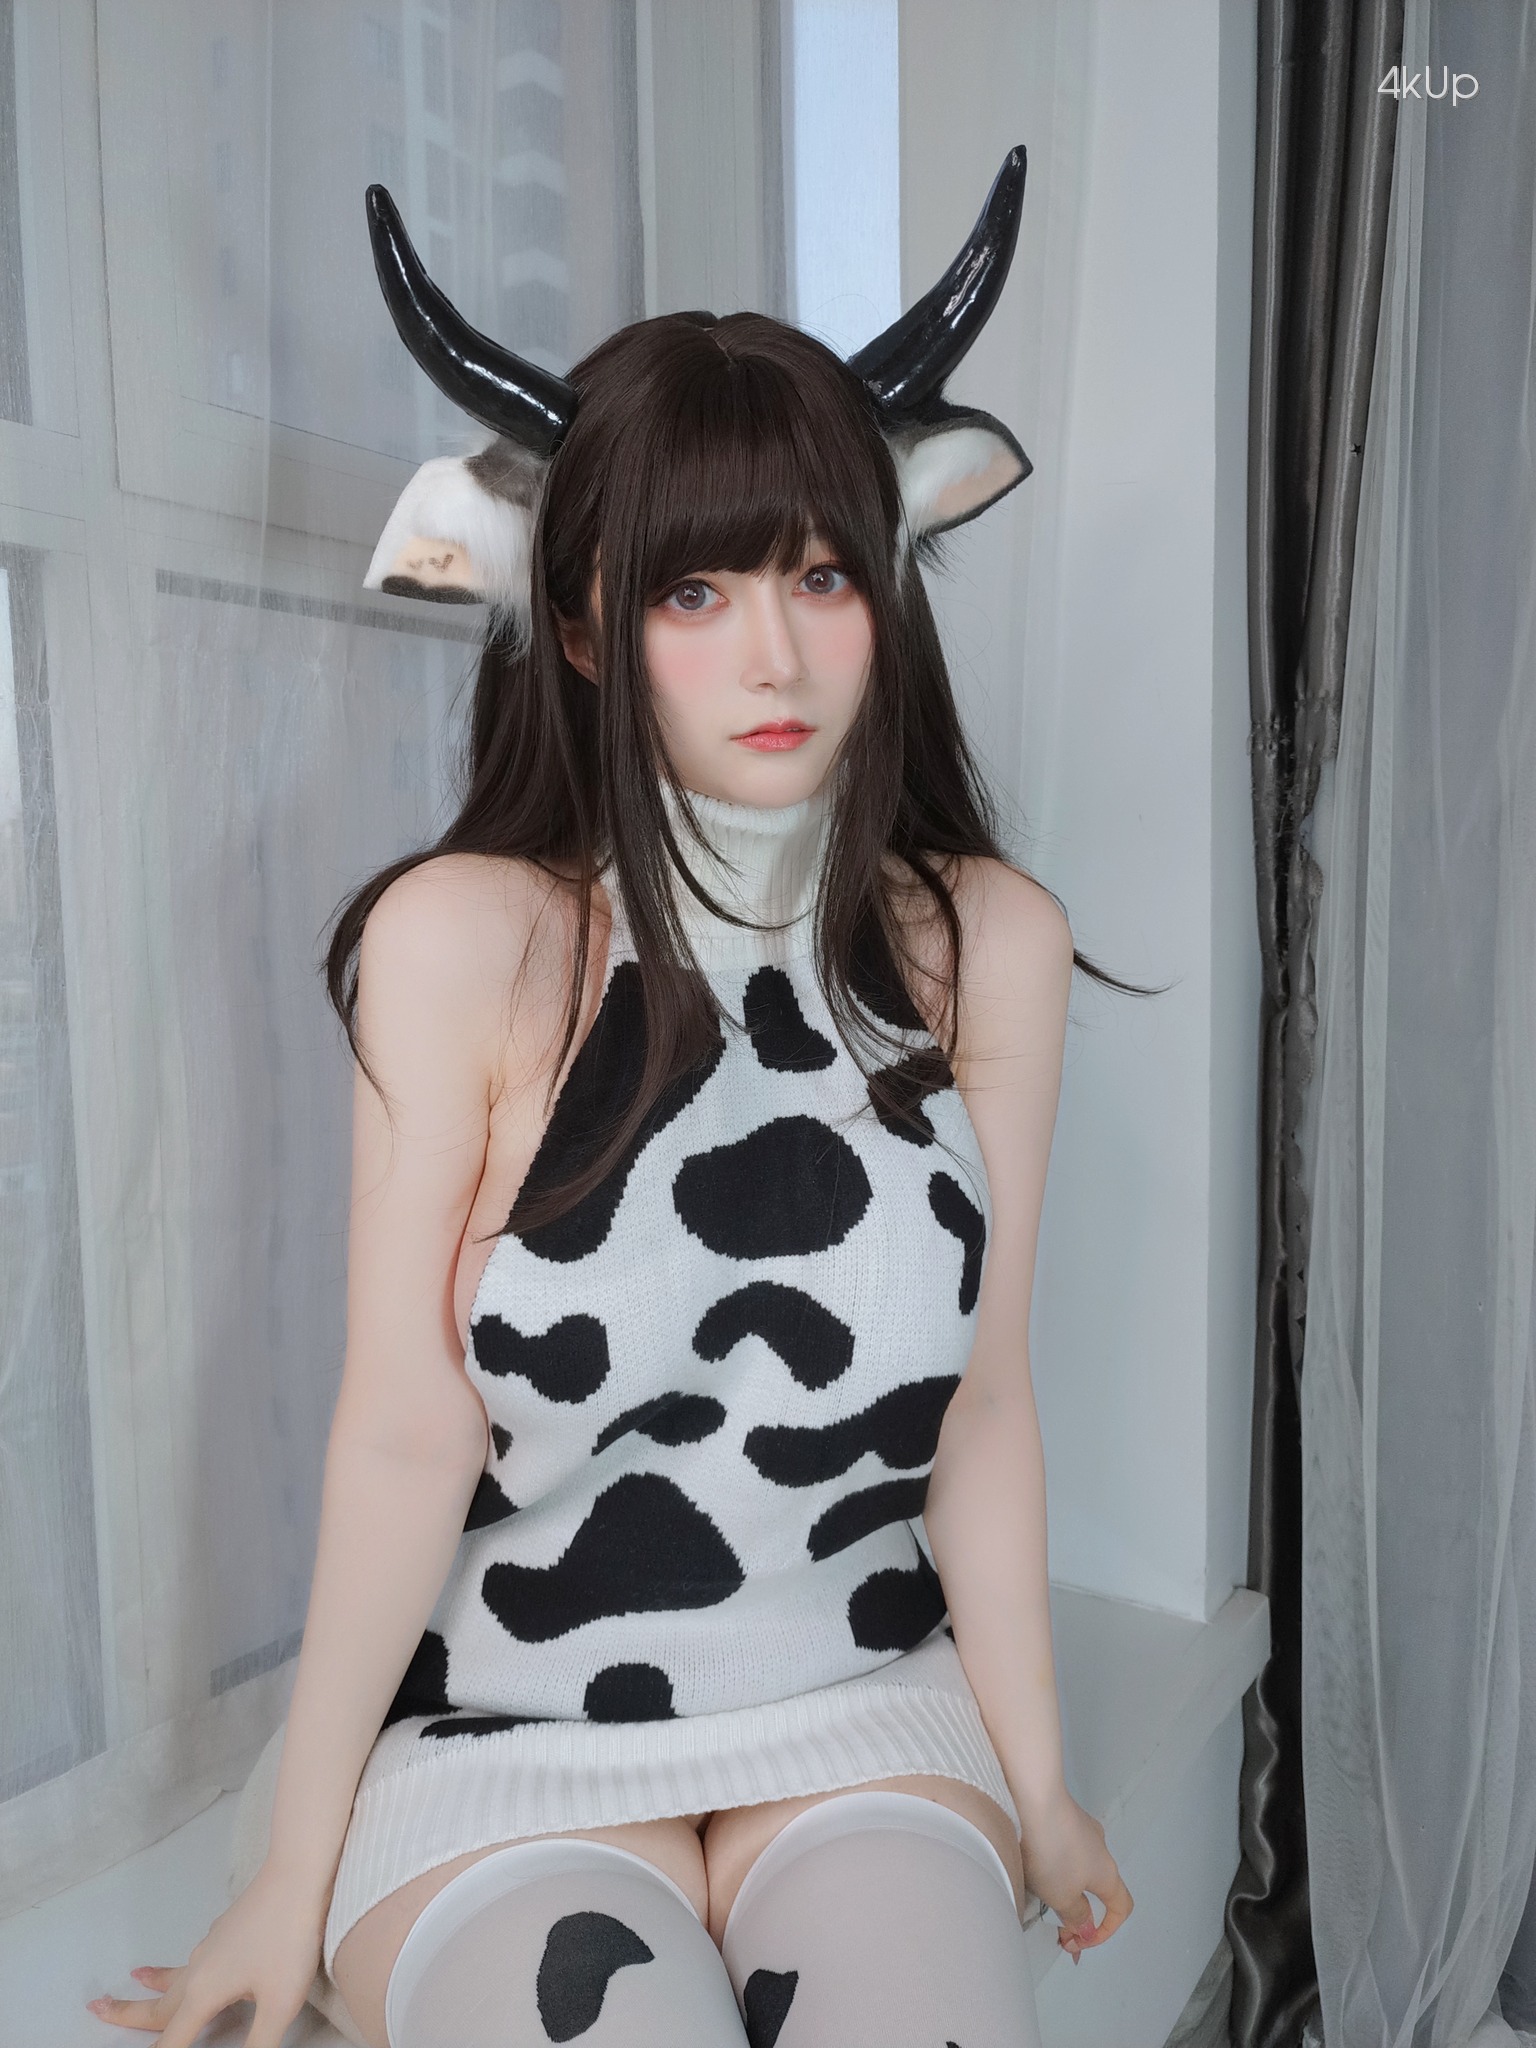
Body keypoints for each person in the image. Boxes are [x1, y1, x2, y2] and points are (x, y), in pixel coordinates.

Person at [89, 147, 1136, 2048]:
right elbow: (404, 1431)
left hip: (864, 1706)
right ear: (578, 624)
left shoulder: (989, 941)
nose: (775, 652)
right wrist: (290, 1870)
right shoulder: (466, 941)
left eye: (823, 573)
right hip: (505, 1739)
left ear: (886, 586)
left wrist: (1043, 1782)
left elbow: (983, 1407)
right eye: (692, 589)